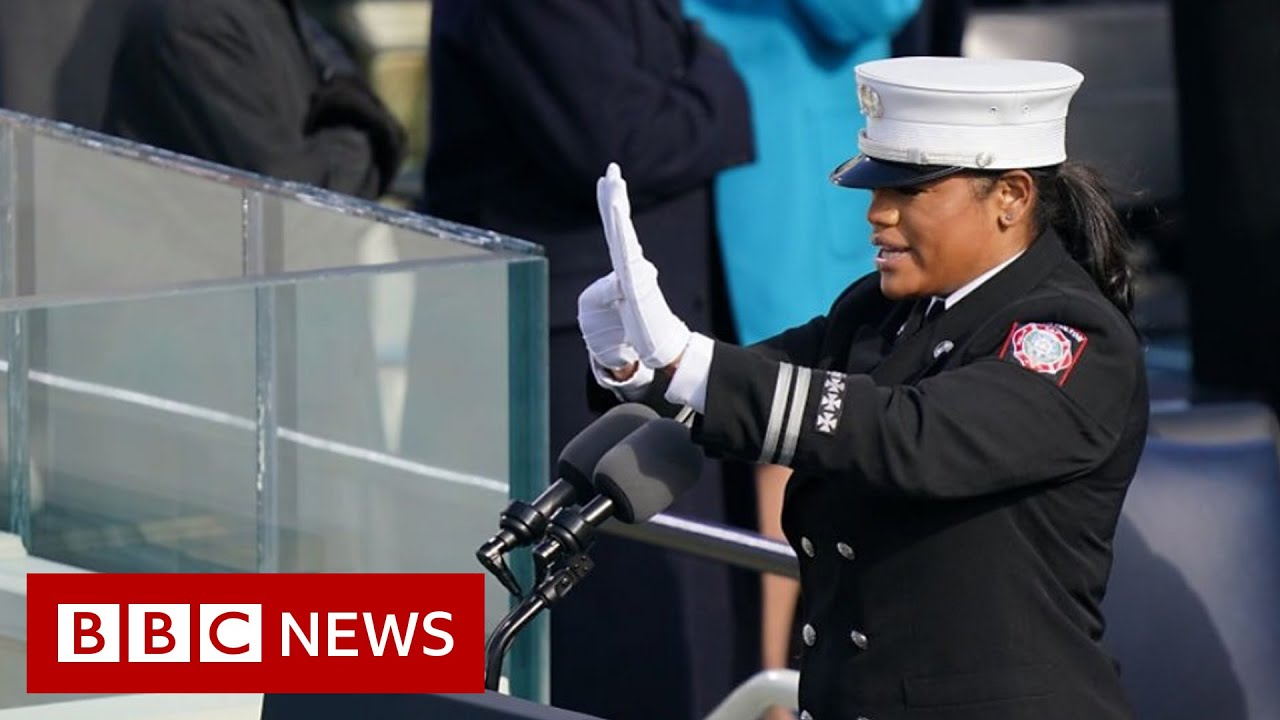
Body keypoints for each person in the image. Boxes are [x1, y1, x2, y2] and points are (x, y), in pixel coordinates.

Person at [578, 56, 1148, 719]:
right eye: (879, 191)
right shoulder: (879, 312)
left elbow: (916, 438)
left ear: (1012, 197)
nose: (878, 215)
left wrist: (689, 359)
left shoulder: (1069, 336)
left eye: (912, 193)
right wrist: (636, 365)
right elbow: (743, 391)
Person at [421, 3, 754, 719]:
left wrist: (704, 78)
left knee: (677, 623)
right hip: (561, 345)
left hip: (634, 332)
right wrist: (716, 82)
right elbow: (618, 142)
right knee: (614, 630)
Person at [674, 4, 919, 712]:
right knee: (783, 430)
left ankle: (775, 688)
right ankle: (777, 697)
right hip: (775, 168)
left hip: (755, 167)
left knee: (780, 426)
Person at [102, 0, 406, 200]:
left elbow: (335, 69)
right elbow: (292, 208)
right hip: (216, 288)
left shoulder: (260, 10)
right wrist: (361, 136)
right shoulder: (198, 22)